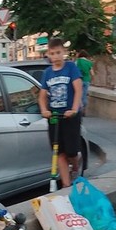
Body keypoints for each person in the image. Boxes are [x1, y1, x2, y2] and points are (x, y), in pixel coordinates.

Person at [38, 37, 83, 187]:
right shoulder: (47, 73)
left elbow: (78, 89)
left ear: (64, 52)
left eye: (58, 52)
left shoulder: (71, 68)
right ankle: (66, 185)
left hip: (69, 115)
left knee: (71, 151)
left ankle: (76, 166)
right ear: (48, 55)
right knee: (59, 151)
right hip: (55, 117)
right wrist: (44, 110)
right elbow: (42, 95)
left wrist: (75, 109)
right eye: (52, 53)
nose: (56, 56)